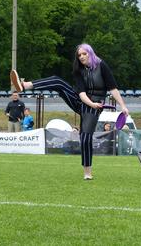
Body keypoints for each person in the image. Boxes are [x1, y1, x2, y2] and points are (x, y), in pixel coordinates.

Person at [10, 43, 129, 180]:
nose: (82, 57)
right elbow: (82, 93)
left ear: (90, 53)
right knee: (57, 82)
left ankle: (87, 172)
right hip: (82, 101)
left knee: (85, 138)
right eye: (79, 55)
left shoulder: (102, 66)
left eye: (84, 54)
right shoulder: (78, 69)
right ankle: (25, 85)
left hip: (95, 106)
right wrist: (91, 103)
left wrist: (123, 106)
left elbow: (113, 88)